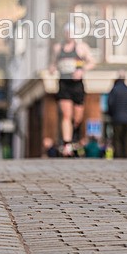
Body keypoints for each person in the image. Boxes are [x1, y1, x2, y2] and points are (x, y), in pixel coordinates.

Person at [51, 25, 95, 156]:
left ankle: (74, 134)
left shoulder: (82, 47)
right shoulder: (58, 48)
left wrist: (82, 70)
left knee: (77, 117)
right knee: (66, 115)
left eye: (71, 32)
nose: (69, 35)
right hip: (64, 84)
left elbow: (92, 62)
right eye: (67, 32)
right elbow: (53, 62)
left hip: (77, 85)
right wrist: (52, 68)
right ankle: (67, 144)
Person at [107, 73, 127, 158]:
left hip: (116, 118)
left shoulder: (114, 90)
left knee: (117, 139)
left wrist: (112, 114)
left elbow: (110, 104)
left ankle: (118, 156)